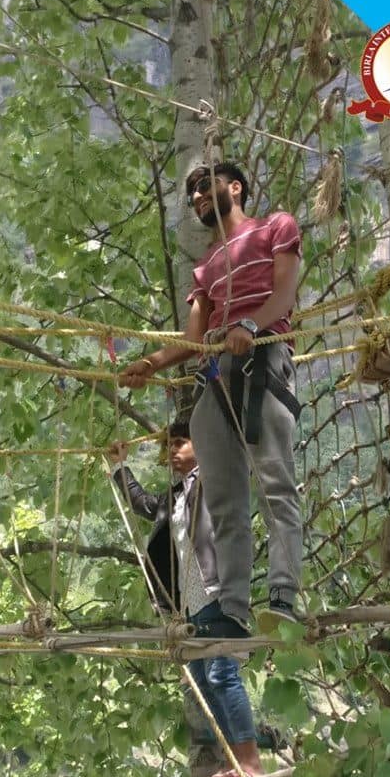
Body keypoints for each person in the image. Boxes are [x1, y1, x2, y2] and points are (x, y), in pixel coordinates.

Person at [119, 162, 303, 634]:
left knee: (275, 486)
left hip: (263, 359)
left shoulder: (275, 226)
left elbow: (285, 294)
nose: (198, 196)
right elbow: (193, 340)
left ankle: (283, 597)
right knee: (223, 502)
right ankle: (233, 609)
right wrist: (152, 363)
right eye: (192, 194)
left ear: (234, 187)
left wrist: (250, 325)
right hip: (216, 374)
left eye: (205, 185)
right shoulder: (206, 267)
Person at [107, 420, 263, 777]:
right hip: (191, 603)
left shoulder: (213, 481)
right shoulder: (174, 497)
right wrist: (119, 467)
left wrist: (216, 432)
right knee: (203, 683)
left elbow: (235, 458)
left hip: (218, 590)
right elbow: (144, 504)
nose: (173, 451)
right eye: (170, 445)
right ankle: (233, 762)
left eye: (181, 442)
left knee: (222, 675)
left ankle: (251, 762)